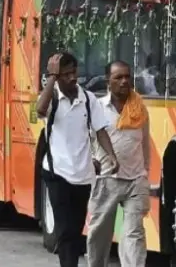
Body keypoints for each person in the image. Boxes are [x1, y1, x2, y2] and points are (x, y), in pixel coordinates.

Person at [36, 52, 120, 267]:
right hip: (57, 173)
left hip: (83, 175)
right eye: (66, 74)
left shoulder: (88, 99)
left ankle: (69, 258)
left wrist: (111, 155)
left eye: (74, 72)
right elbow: (40, 109)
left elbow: (100, 131)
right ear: (57, 77)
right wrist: (52, 79)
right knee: (64, 229)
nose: (73, 78)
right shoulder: (52, 97)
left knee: (75, 228)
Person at [87, 60, 151, 267]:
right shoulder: (98, 108)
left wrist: (144, 174)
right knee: (100, 234)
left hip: (135, 181)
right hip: (106, 180)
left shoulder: (140, 109)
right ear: (108, 81)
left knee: (134, 234)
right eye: (118, 77)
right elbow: (86, 140)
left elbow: (145, 142)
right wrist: (91, 162)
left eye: (127, 76)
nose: (124, 81)